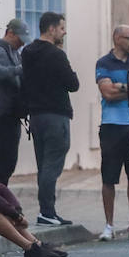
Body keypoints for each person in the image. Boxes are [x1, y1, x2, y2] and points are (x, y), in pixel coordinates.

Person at [21, 12, 79, 226]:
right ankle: (47, 211)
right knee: (52, 166)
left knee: (43, 164)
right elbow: (73, 84)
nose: (64, 32)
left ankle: (47, 210)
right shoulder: (56, 55)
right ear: (52, 29)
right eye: (62, 28)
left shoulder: (27, 52)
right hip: (56, 114)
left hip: (35, 115)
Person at [94, 24, 129, 241]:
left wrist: (121, 87)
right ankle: (109, 225)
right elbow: (107, 92)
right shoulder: (104, 63)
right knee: (108, 177)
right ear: (117, 38)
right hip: (111, 126)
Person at [0, 19, 30, 186]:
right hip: (0, 115)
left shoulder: (13, 52)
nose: (21, 44)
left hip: (9, 115)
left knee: (7, 162)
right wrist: (18, 70)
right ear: (10, 33)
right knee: (5, 162)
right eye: (19, 39)